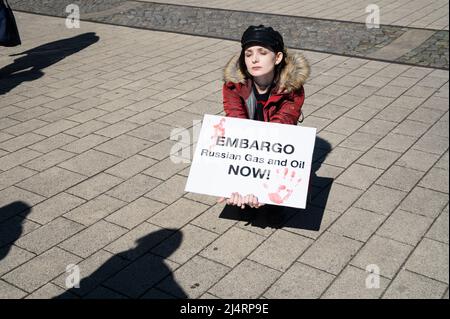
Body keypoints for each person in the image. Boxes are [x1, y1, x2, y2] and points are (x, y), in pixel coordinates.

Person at [217, 25, 310, 210]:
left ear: (277, 57)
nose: (254, 59)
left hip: (275, 147)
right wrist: (239, 183)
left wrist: (261, 187)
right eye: (248, 53)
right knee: (238, 199)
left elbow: (279, 130)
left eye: (262, 52)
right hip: (247, 147)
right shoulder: (234, 85)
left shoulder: (292, 89)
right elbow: (236, 125)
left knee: (274, 207)